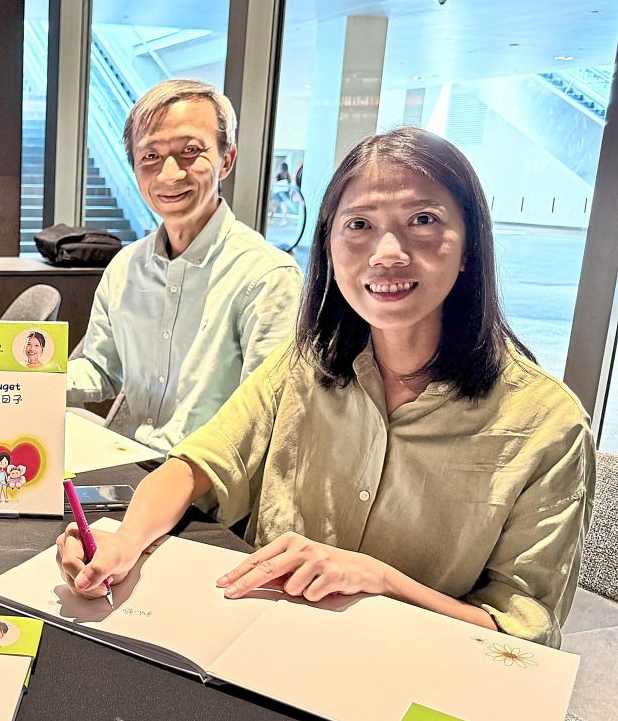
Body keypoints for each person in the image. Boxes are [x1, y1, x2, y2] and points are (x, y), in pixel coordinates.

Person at [57, 126, 593, 648]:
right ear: (330, 247)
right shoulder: (306, 363)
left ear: (470, 244)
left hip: (414, 679)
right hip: (261, 650)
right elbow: (197, 463)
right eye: (358, 224)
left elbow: (523, 635)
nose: (386, 252)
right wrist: (124, 541)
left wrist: (380, 580)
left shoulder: (545, 422)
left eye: (423, 219)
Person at [67, 79, 302, 454]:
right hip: (128, 466)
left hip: (209, 492)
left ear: (226, 159)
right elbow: (100, 371)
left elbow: (266, 419)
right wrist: (16, 371)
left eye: (190, 151)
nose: (169, 174)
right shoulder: (125, 267)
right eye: (151, 156)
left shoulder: (267, 277)